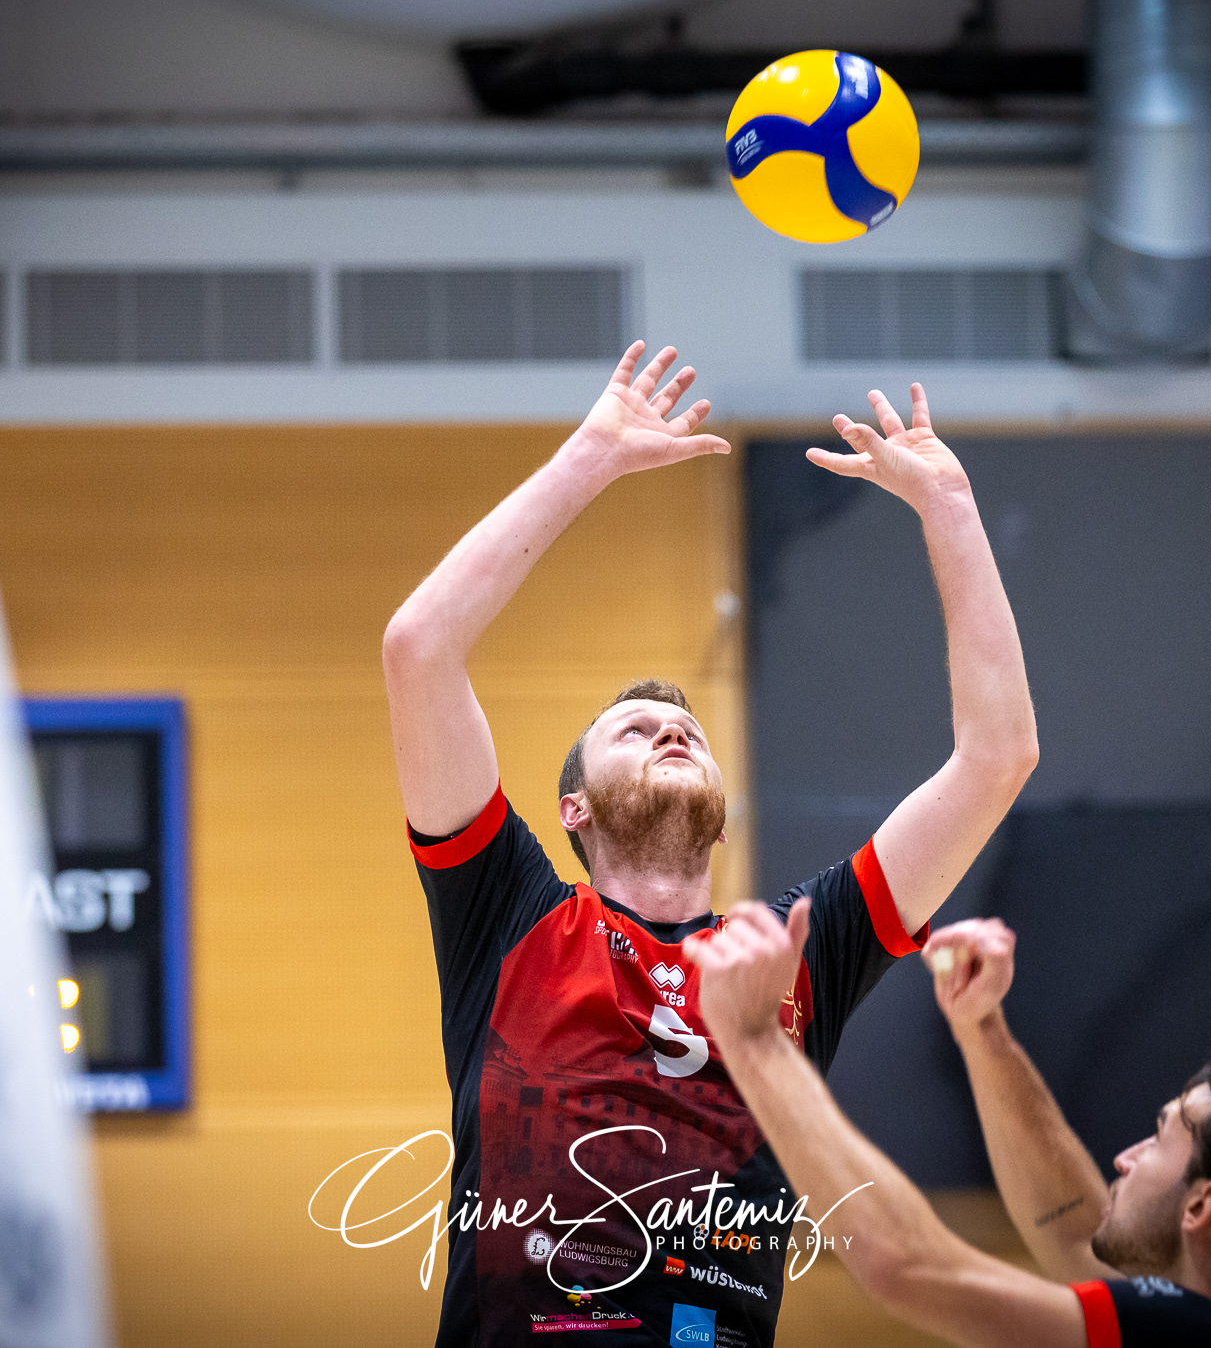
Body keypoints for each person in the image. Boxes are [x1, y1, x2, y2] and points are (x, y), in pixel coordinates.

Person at [381, 343, 1038, 1347]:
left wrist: (948, 504)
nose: (671, 732)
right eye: (634, 730)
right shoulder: (507, 914)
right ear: (573, 810)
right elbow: (418, 649)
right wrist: (591, 458)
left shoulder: (799, 946)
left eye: (686, 730)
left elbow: (997, 757)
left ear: (722, 816)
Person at [686, 907, 1211, 1347]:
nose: (1126, 1157)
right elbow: (1078, 1235)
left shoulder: (1198, 1335)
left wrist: (754, 1041)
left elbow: (912, 1267)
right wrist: (981, 1027)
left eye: (1160, 1137)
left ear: (1203, 1204)